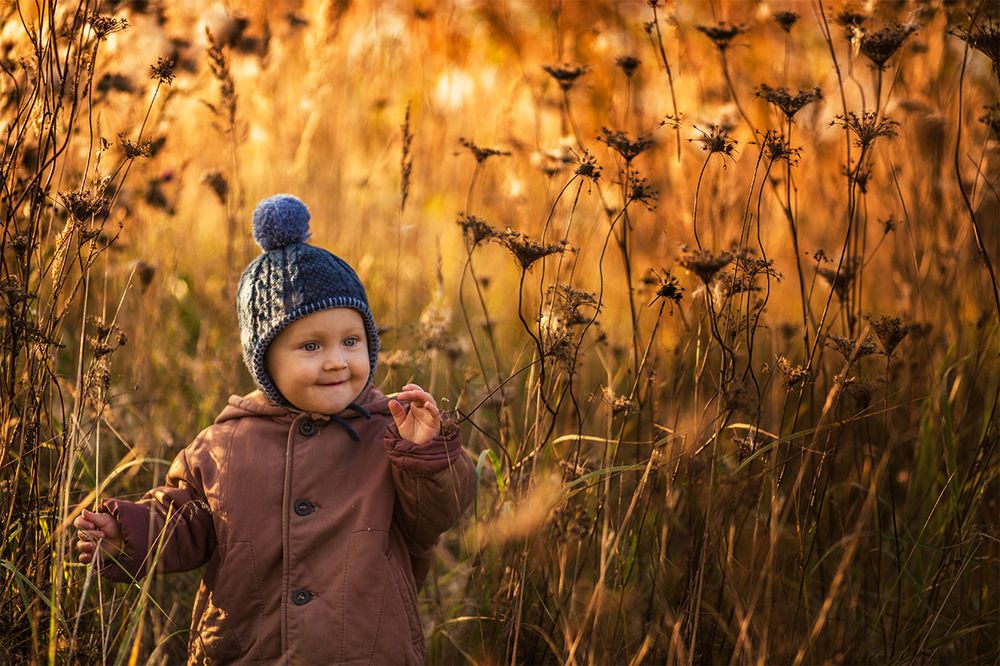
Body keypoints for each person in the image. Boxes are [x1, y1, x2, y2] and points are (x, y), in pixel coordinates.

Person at [73, 194, 477, 664]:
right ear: (265, 362)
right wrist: (131, 535)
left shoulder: (390, 434)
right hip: (247, 649)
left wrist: (427, 456)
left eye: (351, 341)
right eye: (310, 346)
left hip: (369, 649)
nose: (336, 361)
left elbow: (439, 516)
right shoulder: (224, 445)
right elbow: (188, 524)